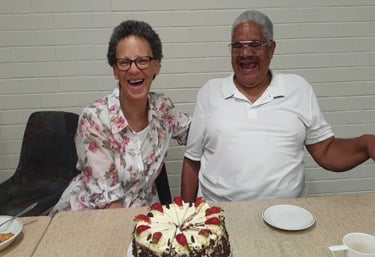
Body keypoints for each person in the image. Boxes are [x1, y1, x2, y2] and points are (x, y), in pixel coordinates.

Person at [181, 10, 375, 203]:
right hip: (220, 214)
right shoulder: (210, 92)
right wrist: (185, 218)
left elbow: (326, 151)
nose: (245, 53)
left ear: (271, 49)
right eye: (237, 46)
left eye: (255, 45)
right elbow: (192, 161)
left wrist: (365, 144)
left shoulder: (297, 88)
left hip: (288, 216)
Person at [50, 20, 191, 216]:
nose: (134, 70)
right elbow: (111, 207)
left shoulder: (163, 108)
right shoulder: (95, 119)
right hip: (91, 216)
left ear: (156, 67)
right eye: (124, 63)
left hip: (142, 213)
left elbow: (196, 132)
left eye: (142, 60)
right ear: (115, 70)